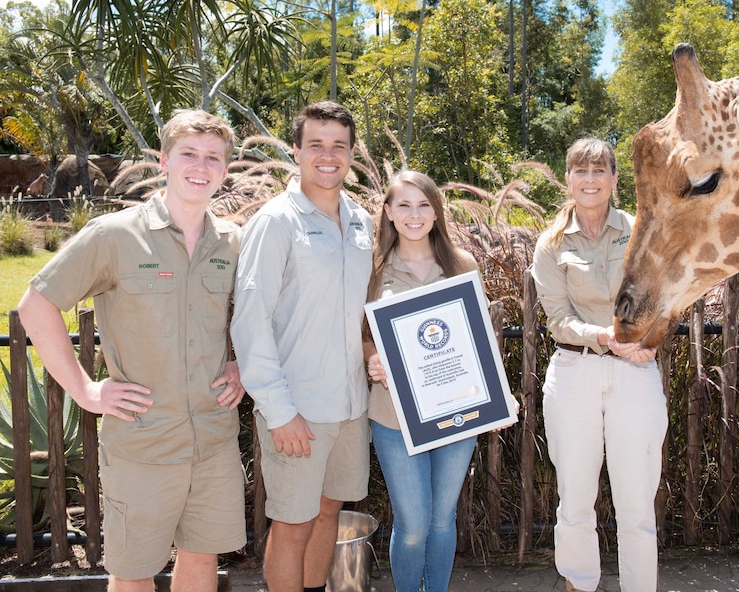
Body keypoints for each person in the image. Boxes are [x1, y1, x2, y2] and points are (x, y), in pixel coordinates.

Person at [17, 109, 247, 592]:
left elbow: (257, 317)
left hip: (213, 438)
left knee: (202, 558)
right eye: (189, 154)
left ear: (225, 170)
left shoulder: (233, 242)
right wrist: (84, 390)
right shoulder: (114, 235)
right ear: (164, 161)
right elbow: (36, 305)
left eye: (213, 158)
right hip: (144, 441)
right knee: (134, 570)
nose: (200, 167)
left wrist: (243, 365)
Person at [230, 101, 373, 592]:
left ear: (352, 154)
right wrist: (278, 410)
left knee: (330, 510)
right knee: (292, 523)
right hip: (298, 410)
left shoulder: (360, 221)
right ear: (296, 151)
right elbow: (250, 322)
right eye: (316, 145)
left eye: (339, 146)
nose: (327, 156)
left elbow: (361, 310)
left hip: (352, 406)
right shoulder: (276, 221)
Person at [530, 138, 667, 592]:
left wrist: (650, 340)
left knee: (636, 503)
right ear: (567, 178)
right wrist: (605, 338)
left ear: (613, 179)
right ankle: (580, 584)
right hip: (575, 376)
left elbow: (666, 297)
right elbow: (558, 319)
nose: (590, 180)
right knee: (575, 500)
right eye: (580, 171)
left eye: (599, 171)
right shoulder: (549, 244)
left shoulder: (641, 229)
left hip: (635, 376)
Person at [364, 170, 485, 592]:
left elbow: (479, 340)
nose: (414, 215)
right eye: (404, 205)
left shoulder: (461, 265)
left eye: (423, 204)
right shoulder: (373, 268)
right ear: (388, 212)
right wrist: (373, 358)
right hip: (394, 415)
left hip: (456, 413)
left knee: (441, 519)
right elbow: (362, 336)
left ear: (436, 211)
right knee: (413, 524)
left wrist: (498, 395)